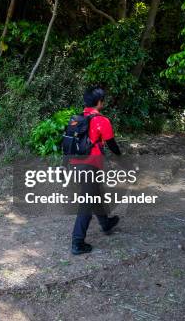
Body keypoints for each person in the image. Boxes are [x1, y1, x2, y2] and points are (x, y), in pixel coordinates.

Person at [70, 87, 122, 255]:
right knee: (87, 201)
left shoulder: (76, 118)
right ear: (99, 102)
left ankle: (105, 222)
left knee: (95, 193)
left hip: (75, 163)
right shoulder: (102, 121)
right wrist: (121, 157)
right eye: (103, 100)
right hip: (91, 166)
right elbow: (112, 144)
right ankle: (78, 242)